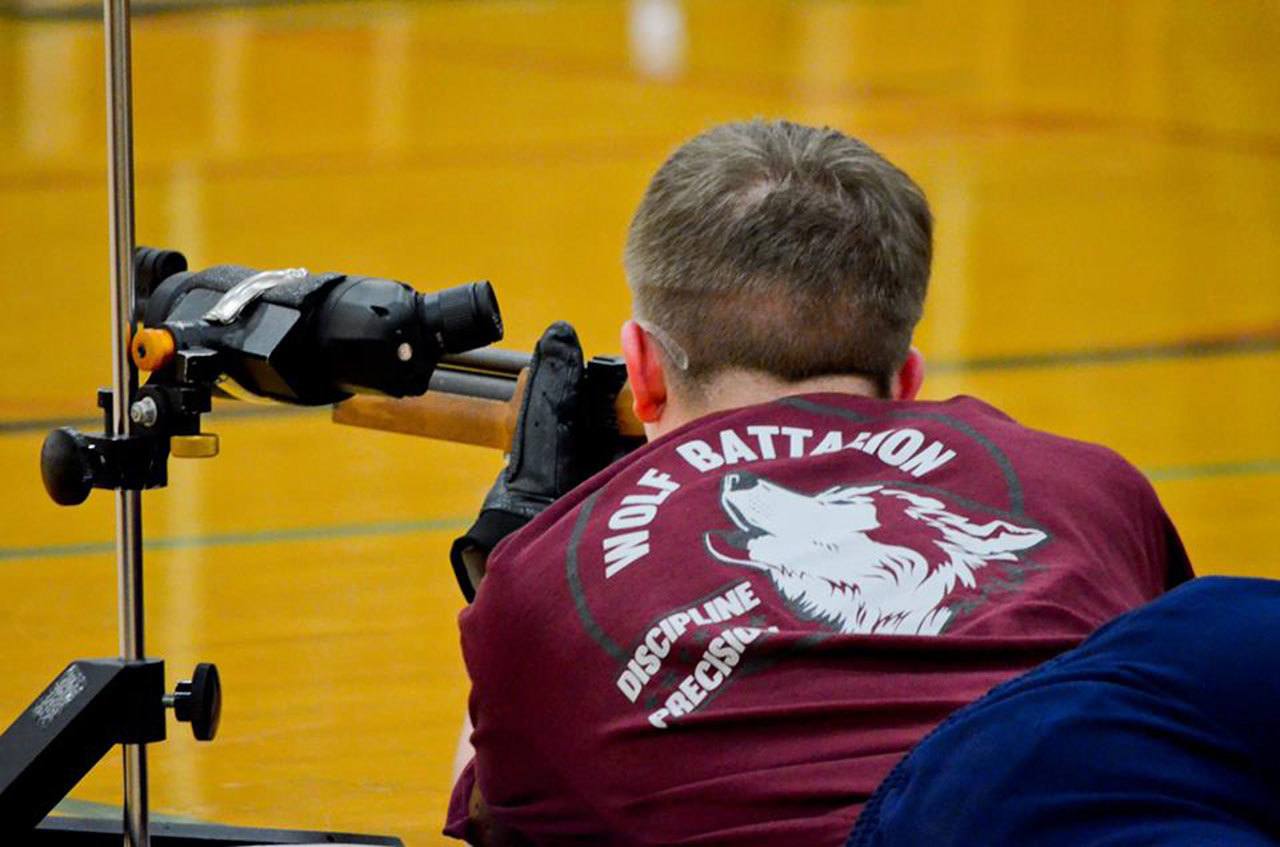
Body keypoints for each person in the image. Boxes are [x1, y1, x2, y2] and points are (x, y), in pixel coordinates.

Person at [442, 119, 1192, 846]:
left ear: (642, 373)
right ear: (908, 380)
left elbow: (502, 812)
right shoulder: (1097, 488)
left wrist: (524, 539)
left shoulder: (543, 585)